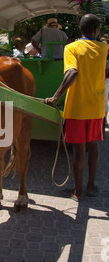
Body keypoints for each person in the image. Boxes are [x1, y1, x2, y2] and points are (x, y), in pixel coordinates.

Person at [44, 14, 108, 201]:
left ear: (80, 29)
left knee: (79, 151)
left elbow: (72, 71)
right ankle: (90, 186)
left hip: (78, 108)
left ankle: (77, 191)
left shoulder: (71, 48)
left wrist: (55, 98)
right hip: (97, 108)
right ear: (96, 30)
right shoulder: (104, 48)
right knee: (94, 147)